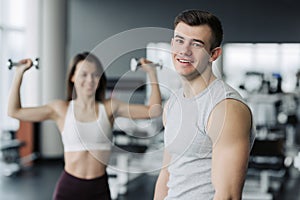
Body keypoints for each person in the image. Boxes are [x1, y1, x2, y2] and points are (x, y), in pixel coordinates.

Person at [7, 52, 162, 200]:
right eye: (84, 74)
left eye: (95, 75)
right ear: (73, 77)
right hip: (69, 189)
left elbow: (153, 111)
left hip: (99, 189)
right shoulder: (61, 109)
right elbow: (14, 112)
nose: (90, 80)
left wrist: (152, 73)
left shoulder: (109, 108)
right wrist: (19, 73)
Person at [153, 10, 255, 200]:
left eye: (196, 44)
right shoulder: (173, 104)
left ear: (213, 54)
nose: (184, 50)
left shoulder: (226, 108)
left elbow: (228, 195)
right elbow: (167, 174)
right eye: (179, 40)